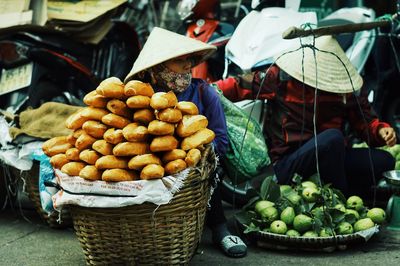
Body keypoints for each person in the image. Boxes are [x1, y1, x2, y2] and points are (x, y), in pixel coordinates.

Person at [215, 35, 396, 200]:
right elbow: (236, 85)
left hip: (333, 158)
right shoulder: (282, 79)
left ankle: (349, 197)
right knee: (332, 138)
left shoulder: (346, 89)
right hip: (290, 162)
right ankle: (340, 200)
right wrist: (200, 92)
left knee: (384, 160)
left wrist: (381, 130)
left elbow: (366, 123)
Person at [124, 27, 247, 258]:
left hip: (198, 169)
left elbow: (220, 140)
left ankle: (220, 228)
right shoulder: (142, 97)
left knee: (208, 173)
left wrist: (193, 155)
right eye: (179, 61)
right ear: (158, 66)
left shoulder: (203, 92)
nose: (187, 66)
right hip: (151, 170)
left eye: (189, 60)